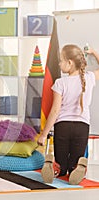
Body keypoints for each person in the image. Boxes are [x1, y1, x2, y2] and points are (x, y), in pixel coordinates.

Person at [37, 44, 99, 185]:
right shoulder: (89, 78)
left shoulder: (60, 83)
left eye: (61, 61)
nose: (59, 64)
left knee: (62, 162)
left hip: (63, 126)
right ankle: (77, 168)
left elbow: (55, 111)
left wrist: (43, 134)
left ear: (70, 63)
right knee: (75, 161)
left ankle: (56, 167)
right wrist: (94, 52)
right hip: (82, 127)